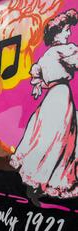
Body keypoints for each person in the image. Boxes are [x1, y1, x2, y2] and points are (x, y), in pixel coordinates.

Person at [10, 9, 78, 204]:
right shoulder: (63, 51)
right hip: (61, 97)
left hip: (50, 99)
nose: (69, 33)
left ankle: (37, 183)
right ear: (57, 33)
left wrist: (40, 87)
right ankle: (45, 182)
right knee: (60, 140)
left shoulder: (47, 55)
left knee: (45, 139)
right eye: (66, 30)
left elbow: (38, 76)